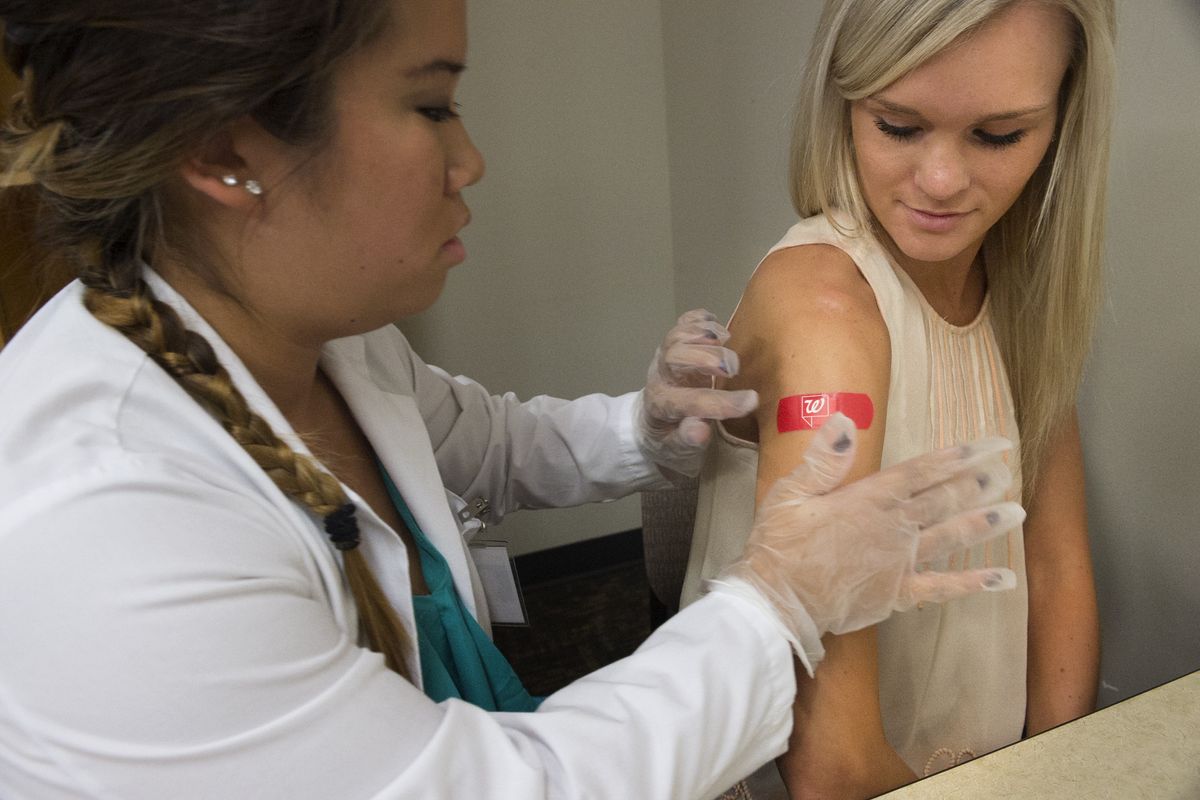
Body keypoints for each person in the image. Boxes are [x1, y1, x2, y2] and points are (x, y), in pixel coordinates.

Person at [0, 2, 1024, 797]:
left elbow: (480, 441)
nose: (471, 159)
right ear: (222, 151)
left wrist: (649, 424)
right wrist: (782, 597)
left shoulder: (323, 340)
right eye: (432, 104)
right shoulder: (113, 521)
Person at [681, 0, 1114, 796]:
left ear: (1062, 125)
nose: (942, 181)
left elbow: (1056, 564)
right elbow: (832, 769)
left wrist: (1057, 770)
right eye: (899, 126)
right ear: (844, 103)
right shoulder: (827, 311)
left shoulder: (1019, 296)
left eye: (998, 134)